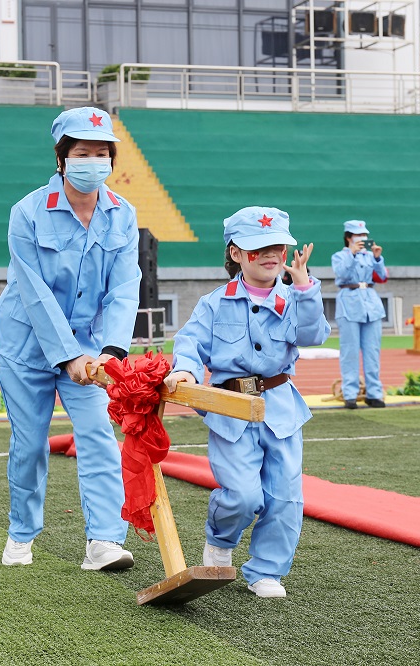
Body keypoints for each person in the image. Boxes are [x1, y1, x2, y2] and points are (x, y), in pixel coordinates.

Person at [0, 106, 141, 570]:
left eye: (101, 153)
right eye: (81, 153)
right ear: (61, 158)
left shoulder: (123, 215)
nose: (92, 162)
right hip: (24, 347)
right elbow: (33, 292)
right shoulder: (27, 212)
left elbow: (125, 286)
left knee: (97, 434)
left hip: (90, 347)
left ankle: (104, 541)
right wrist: (67, 355)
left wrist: (111, 351)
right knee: (30, 443)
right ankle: (22, 533)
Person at [164, 206, 331, 599]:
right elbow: (190, 342)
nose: (270, 255)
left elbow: (313, 335)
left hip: (280, 409)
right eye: (259, 248)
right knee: (242, 495)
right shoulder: (214, 303)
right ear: (236, 253)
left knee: (285, 496)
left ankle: (267, 570)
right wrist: (185, 370)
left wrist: (306, 288)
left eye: (277, 247)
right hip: (231, 409)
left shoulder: (295, 296)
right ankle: (220, 543)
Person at [331, 220, 387, 409]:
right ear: (348, 237)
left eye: (364, 235)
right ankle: (350, 394)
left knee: (372, 351)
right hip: (349, 302)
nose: (362, 238)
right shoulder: (339, 256)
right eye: (358, 235)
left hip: (371, 302)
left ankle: (374, 393)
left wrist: (378, 259)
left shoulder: (370, 256)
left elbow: (382, 277)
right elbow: (342, 274)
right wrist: (352, 254)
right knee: (350, 351)